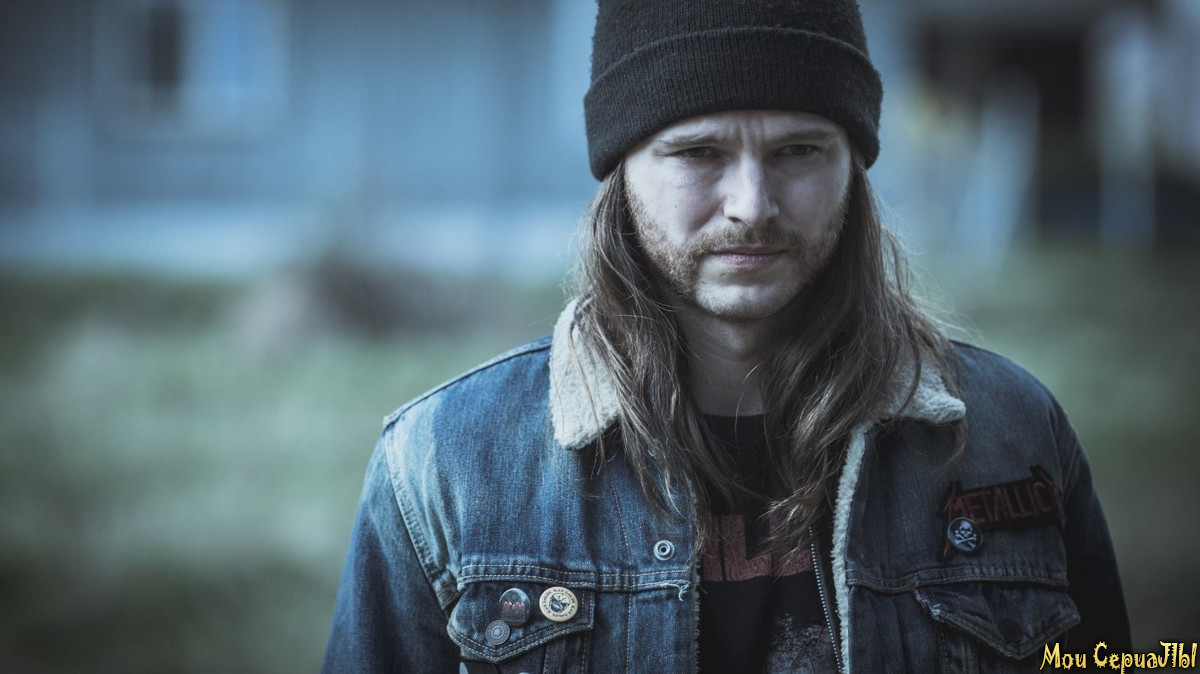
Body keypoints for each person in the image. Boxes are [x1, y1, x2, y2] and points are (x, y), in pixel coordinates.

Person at [322, 0, 1131, 671]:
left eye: (798, 151)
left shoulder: (1011, 436)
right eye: (699, 152)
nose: (751, 203)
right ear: (622, 171)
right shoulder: (445, 466)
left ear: (852, 166)